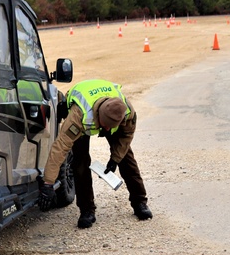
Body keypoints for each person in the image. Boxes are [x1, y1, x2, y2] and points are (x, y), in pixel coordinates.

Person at [38, 78, 152, 228]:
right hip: (83, 119)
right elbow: (60, 148)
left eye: (109, 128)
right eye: (104, 126)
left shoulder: (126, 112)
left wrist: (115, 159)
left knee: (127, 158)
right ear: (98, 118)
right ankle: (87, 211)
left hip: (108, 115)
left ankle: (140, 202)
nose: (105, 131)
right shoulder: (78, 116)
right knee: (80, 163)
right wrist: (48, 183)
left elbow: (126, 136)